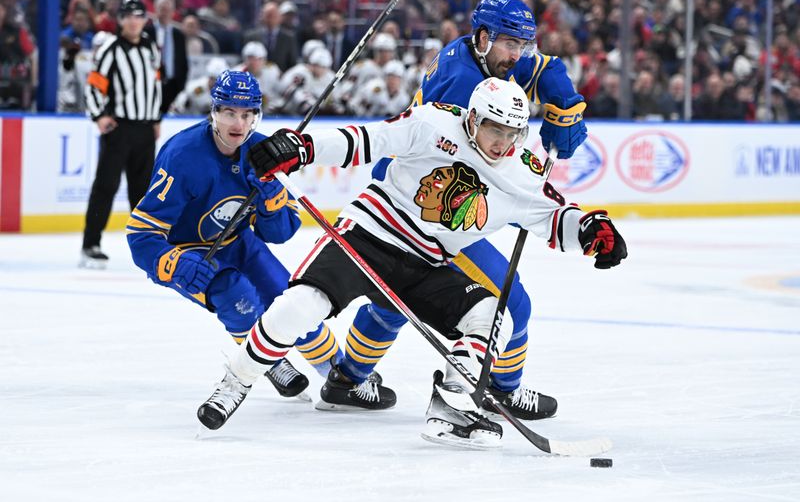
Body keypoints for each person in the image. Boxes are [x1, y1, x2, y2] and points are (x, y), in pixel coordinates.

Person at [197, 78, 627, 448]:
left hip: (428, 262)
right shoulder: (433, 121)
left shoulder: (521, 167)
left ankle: (453, 404)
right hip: (367, 237)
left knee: (496, 317)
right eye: (495, 129)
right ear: (473, 119)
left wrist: (590, 231)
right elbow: (366, 140)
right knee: (300, 306)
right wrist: (304, 149)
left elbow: (552, 214)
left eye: (513, 133)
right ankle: (235, 382)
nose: (502, 142)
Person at [335, 0, 589, 421]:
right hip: (422, 207)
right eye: (512, 44)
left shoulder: (484, 55)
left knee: (393, 299)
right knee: (510, 302)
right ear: (485, 37)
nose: (518, 55)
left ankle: (346, 378)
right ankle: (503, 390)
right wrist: (529, 184)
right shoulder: (461, 84)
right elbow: (485, 167)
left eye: (522, 44)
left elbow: (547, 68)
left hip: (424, 193)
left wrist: (564, 105)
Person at [127, 70, 345, 402]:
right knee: (235, 294)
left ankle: (338, 373)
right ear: (214, 112)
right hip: (190, 251)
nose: (238, 123)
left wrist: (272, 202)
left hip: (240, 244)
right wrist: (174, 262)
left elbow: (281, 233)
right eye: (229, 112)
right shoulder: (183, 155)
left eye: (247, 114)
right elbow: (141, 235)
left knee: (291, 302)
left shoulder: (263, 152)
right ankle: (268, 360)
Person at [81, 0, 162, 268]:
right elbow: (94, 85)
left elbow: (154, 86)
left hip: (144, 129)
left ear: (144, 20)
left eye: (138, 15)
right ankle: (90, 244)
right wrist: (99, 116)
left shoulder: (151, 48)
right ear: (121, 20)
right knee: (105, 186)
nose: (133, 20)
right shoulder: (111, 49)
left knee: (142, 192)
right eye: (128, 16)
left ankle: (147, 247)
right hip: (119, 128)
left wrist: (155, 118)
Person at [149, 0, 188, 114]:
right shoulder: (147, 33)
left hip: (173, 85)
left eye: (168, 10)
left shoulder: (179, 35)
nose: (165, 13)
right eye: (162, 9)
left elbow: (183, 63)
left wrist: (180, 86)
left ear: (173, 12)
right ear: (155, 10)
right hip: (152, 84)